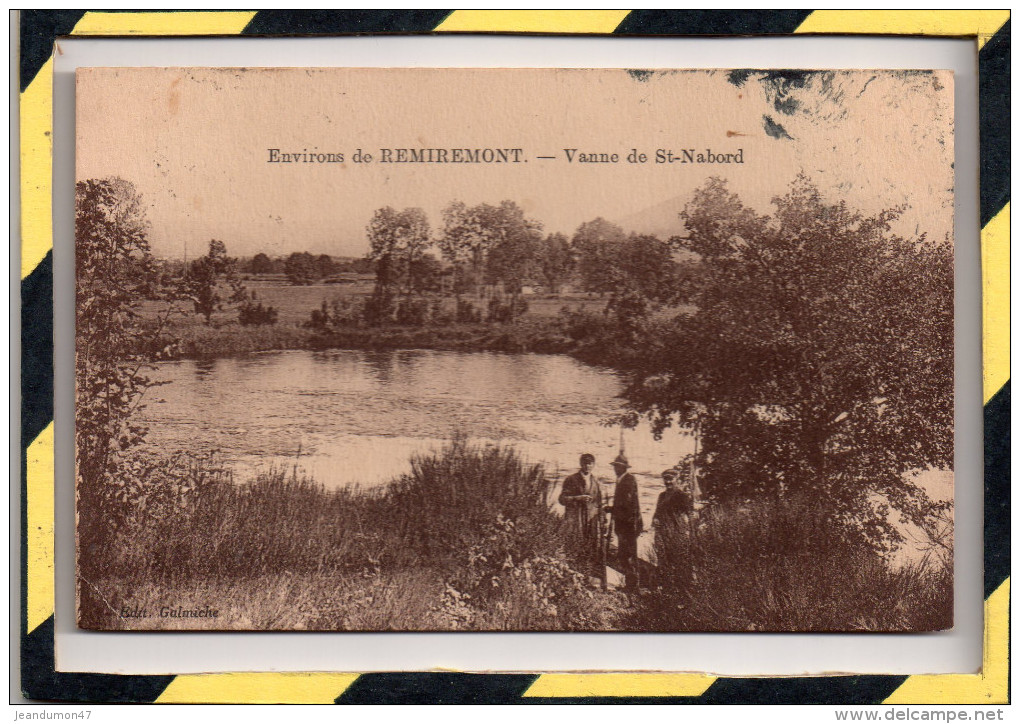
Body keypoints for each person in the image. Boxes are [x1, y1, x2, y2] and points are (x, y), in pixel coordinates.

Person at [558, 453, 604, 574]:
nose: (587, 466)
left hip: (590, 521)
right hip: (575, 520)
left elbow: (599, 503)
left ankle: (587, 576)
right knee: (574, 545)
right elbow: (562, 499)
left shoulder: (596, 482)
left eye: (590, 463)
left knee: (591, 547)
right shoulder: (571, 479)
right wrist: (578, 498)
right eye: (585, 463)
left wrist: (603, 520)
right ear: (580, 464)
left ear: (593, 465)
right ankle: (572, 574)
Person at [652, 468, 694, 588]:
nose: (668, 482)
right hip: (663, 536)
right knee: (664, 564)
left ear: (677, 479)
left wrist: (690, 535)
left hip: (677, 535)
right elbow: (657, 513)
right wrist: (655, 520)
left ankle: (684, 594)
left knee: (681, 566)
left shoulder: (682, 496)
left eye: (671, 479)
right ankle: (668, 593)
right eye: (666, 479)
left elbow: (690, 515)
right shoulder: (662, 496)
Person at [609, 452, 643, 591]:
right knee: (625, 554)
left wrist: (614, 510)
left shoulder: (628, 480)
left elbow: (628, 504)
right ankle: (631, 584)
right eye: (615, 466)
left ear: (624, 468)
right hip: (625, 523)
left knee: (627, 555)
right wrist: (612, 509)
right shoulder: (622, 480)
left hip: (628, 524)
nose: (615, 469)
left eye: (618, 467)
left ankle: (633, 585)